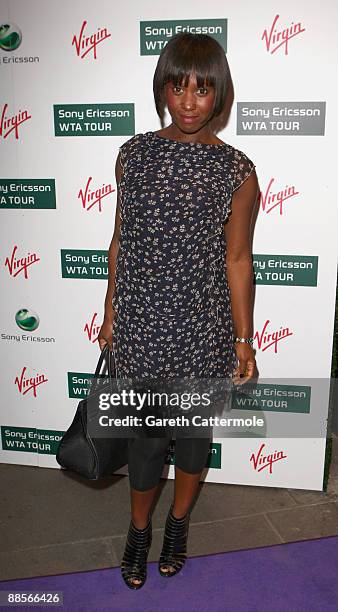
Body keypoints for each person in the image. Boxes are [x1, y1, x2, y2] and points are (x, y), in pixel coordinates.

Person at [98, 32, 258, 590]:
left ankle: (179, 524)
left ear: (220, 94)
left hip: (202, 329)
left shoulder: (236, 169)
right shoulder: (133, 155)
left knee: (191, 439)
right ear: (163, 87)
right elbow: (121, 240)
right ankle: (138, 529)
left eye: (203, 88)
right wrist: (111, 308)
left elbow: (238, 258)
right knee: (145, 441)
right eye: (178, 85)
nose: (189, 101)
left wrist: (244, 340)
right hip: (141, 326)